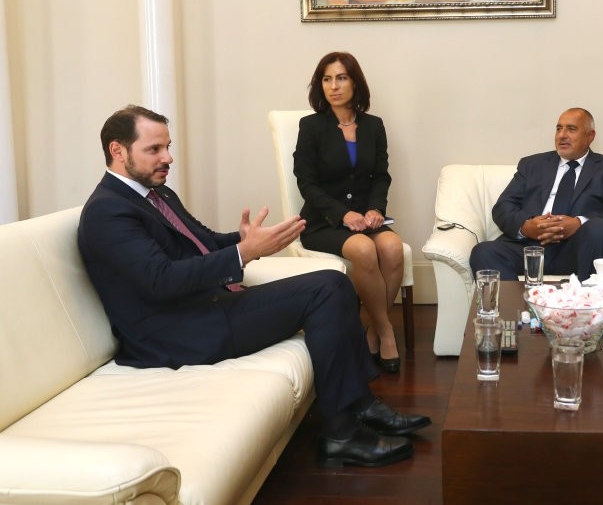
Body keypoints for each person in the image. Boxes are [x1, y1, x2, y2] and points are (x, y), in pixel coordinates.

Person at [78, 105, 430, 468]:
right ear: (117, 150)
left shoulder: (156, 193)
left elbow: (204, 240)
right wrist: (243, 254)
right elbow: (161, 281)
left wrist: (244, 239)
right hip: (178, 331)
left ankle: (360, 405)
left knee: (334, 283)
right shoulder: (108, 211)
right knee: (326, 288)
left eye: (168, 147)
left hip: (206, 307)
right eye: (154, 150)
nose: (168, 158)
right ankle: (342, 433)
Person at [294, 52, 405, 373]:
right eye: (327, 79)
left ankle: (370, 328)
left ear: (355, 82)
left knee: (392, 247)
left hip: (366, 218)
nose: (334, 86)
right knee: (364, 250)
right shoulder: (311, 126)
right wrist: (343, 214)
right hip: (323, 221)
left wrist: (375, 209)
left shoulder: (374, 126)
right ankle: (385, 333)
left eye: (341, 78)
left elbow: (381, 176)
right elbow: (307, 182)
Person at [470, 108, 603, 281]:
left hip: (577, 250)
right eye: (559, 129)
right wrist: (527, 227)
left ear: (590, 136)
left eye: (571, 129)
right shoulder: (532, 165)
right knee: (483, 252)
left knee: (598, 229)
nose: (562, 135)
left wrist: (579, 222)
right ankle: (521, 306)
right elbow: (503, 207)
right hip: (529, 247)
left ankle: (586, 303)